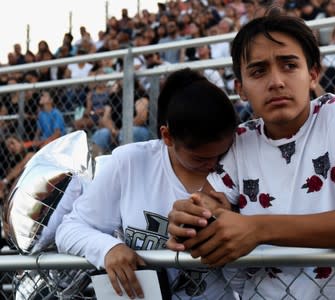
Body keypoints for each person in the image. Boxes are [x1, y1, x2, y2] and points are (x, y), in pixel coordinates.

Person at [167, 11, 335, 299]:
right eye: (258, 71)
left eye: (289, 65)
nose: (276, 81)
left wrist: (258, 229)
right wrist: (191, 220)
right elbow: (212, 206)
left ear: (313, 74)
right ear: (241, 89)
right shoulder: (240, 140)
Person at [55, 68, 239, 299]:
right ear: (167, 136)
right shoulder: (130, 162)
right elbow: (69, 229)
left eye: (220, 155)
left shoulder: (237, 164)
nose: (213, 164)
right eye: (200, 158)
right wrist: (108, 249)